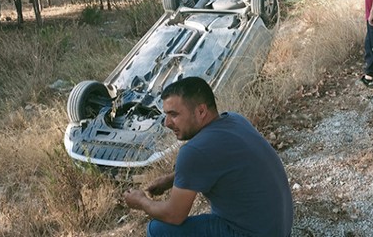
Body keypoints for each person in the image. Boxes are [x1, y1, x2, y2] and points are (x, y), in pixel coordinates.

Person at [123, 77, 293, 237]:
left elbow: (174, 215)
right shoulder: (235, 120)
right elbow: (219, 163)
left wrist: (141, 202)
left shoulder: (194, 151)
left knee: (158, 229)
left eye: (174, 114)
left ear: (201, 111)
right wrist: (170, 180)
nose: (167, 123)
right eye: (166, 115)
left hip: (248, 233)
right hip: (277, 228)